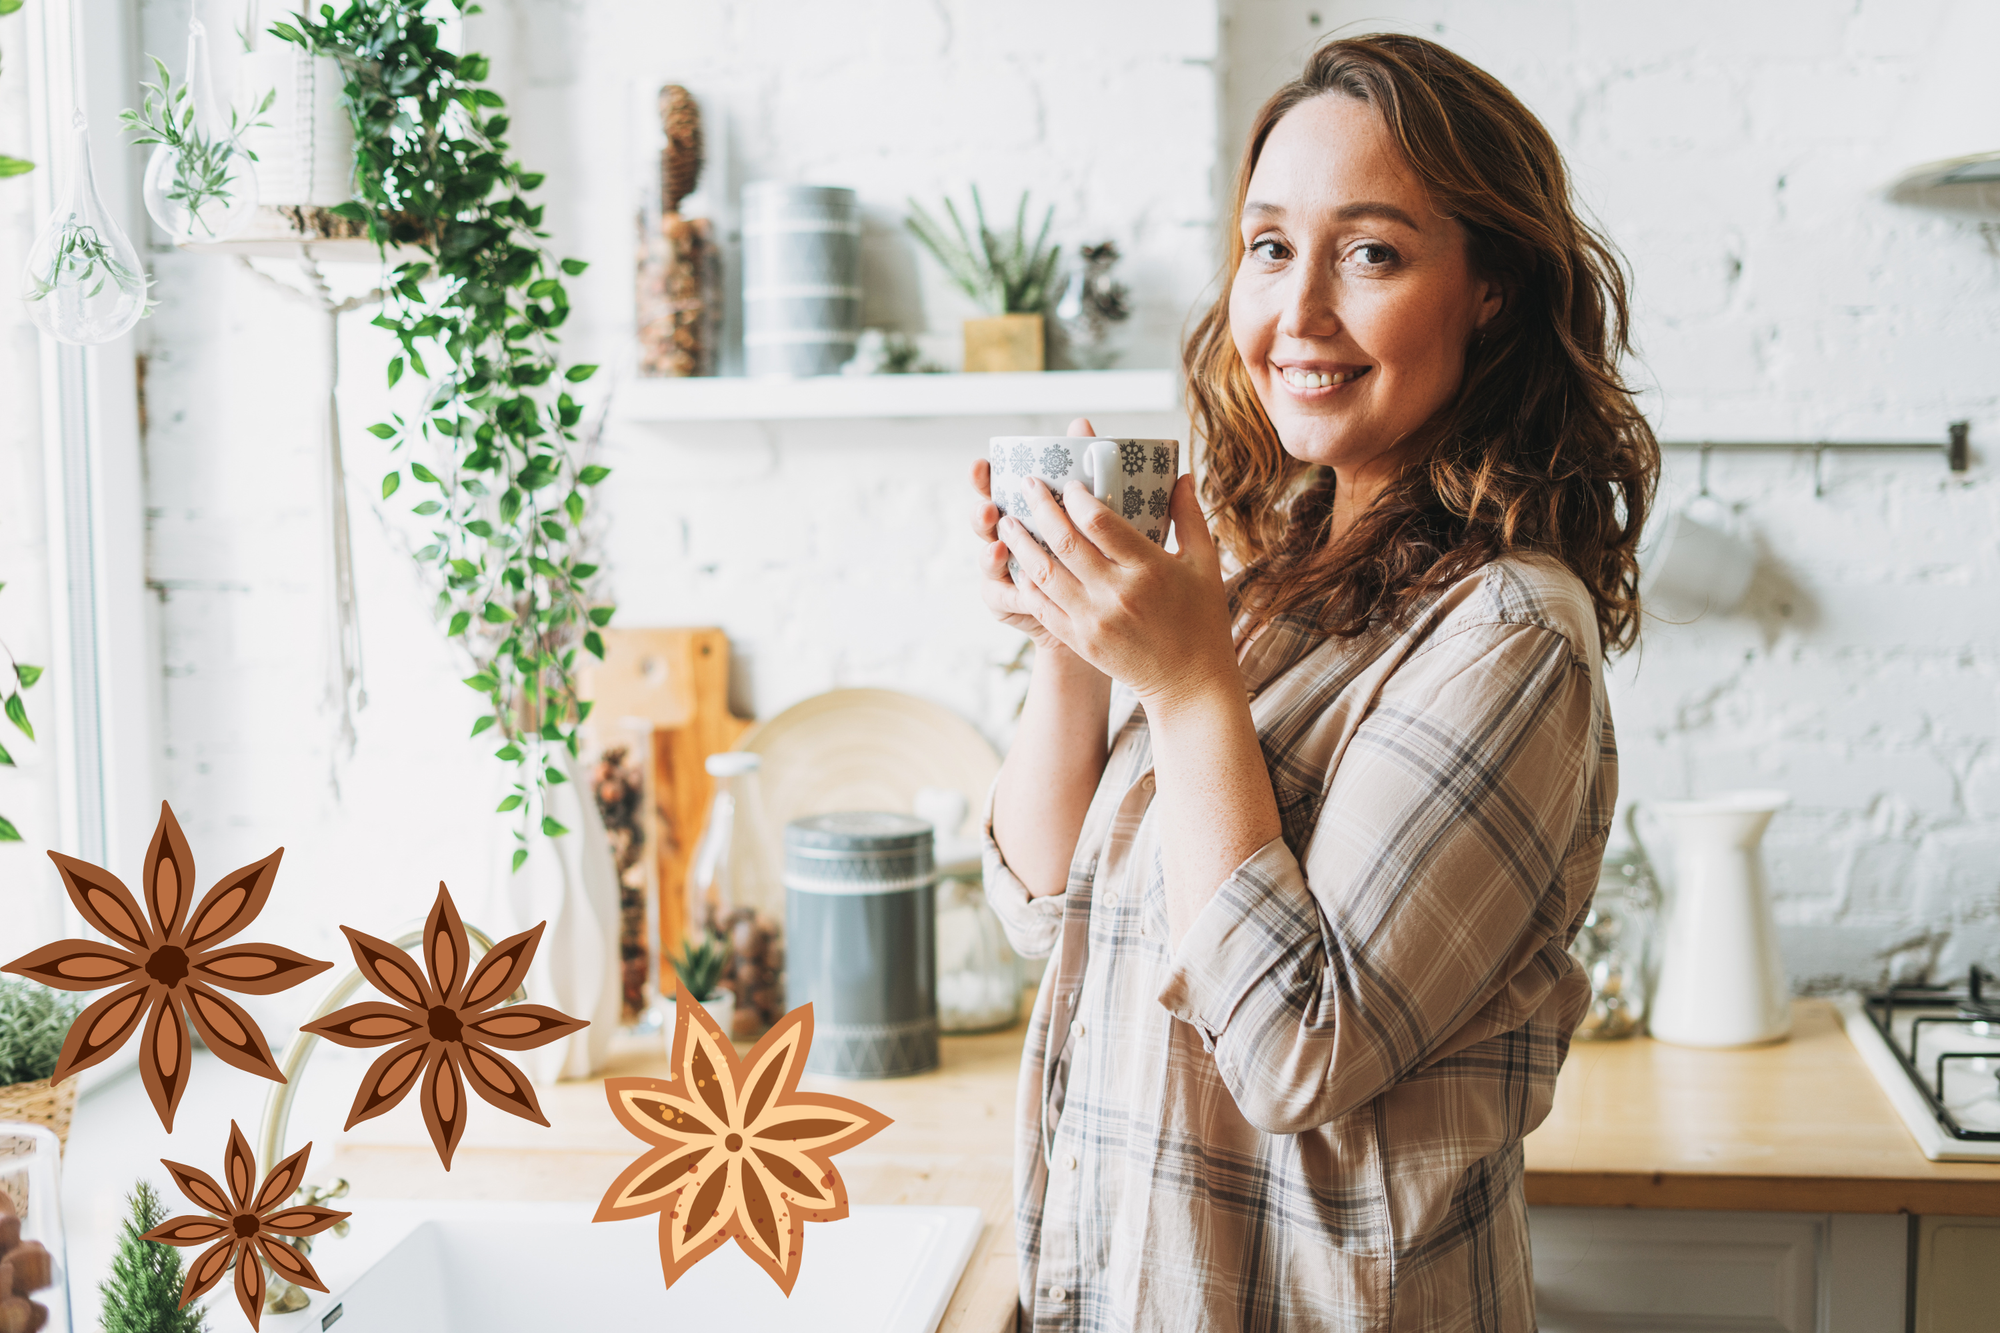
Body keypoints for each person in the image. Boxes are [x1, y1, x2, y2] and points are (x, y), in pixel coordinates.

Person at [969, 32, 1660, 1333]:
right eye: (1271, 246)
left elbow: (1299, 1049)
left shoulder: (1511, 632)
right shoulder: (1266, 582)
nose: (1298, 313)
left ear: (1491, 289)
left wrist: (1184, 688)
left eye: (1374, 252)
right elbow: (1048, 920)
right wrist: (1070, 638)